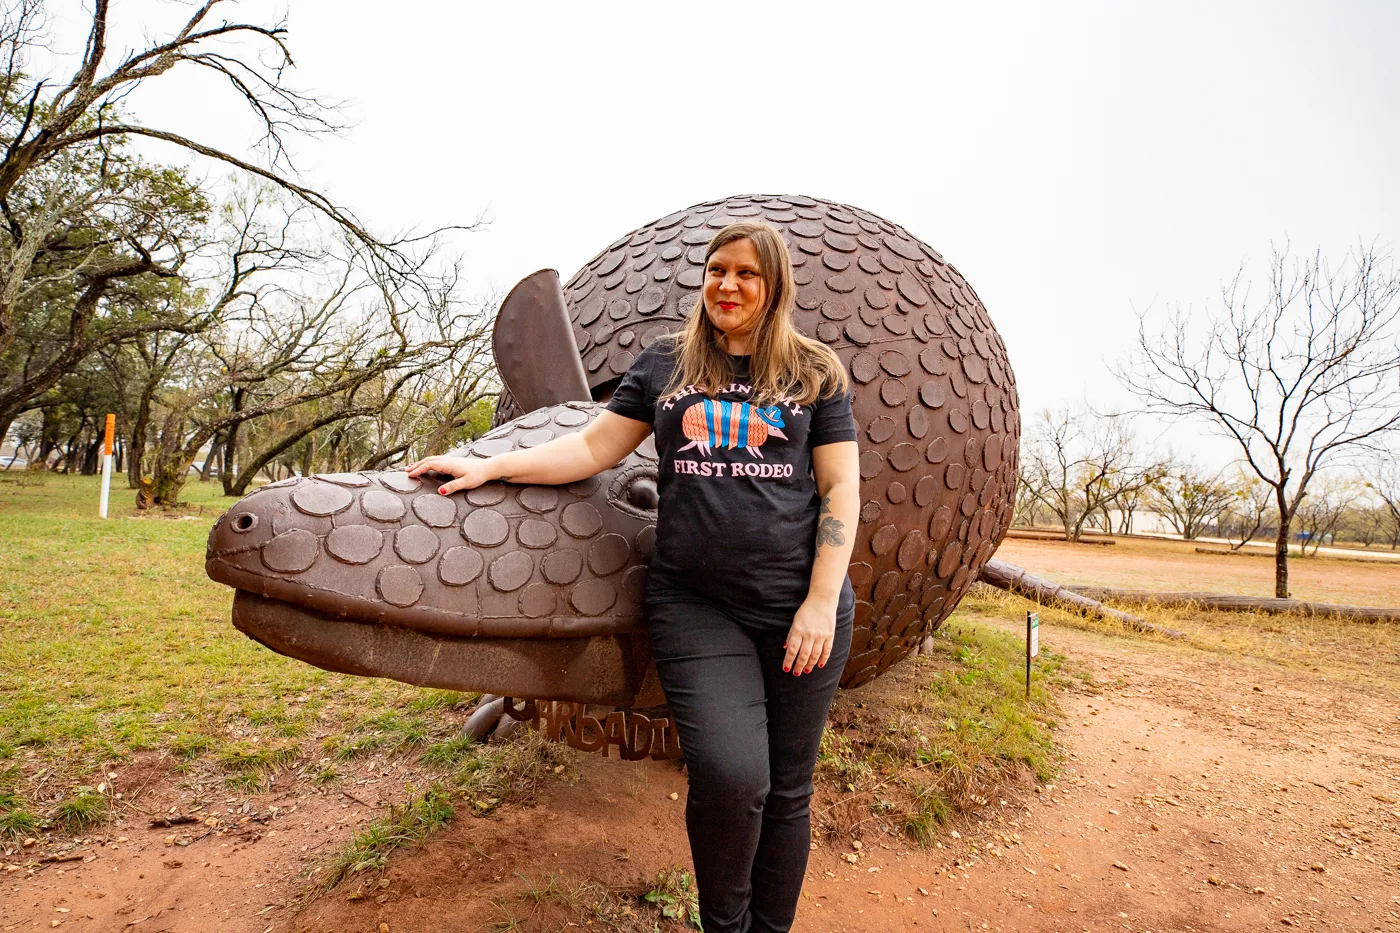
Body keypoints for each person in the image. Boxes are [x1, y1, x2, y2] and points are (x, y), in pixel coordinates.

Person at [407, 221, 860, 933]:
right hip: (696, 604)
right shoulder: (665, 365)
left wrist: (821, 602)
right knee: (733, 777)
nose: (727, 284)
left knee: (787, 790)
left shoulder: (815, 373)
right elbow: (590, 448)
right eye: (716, 270)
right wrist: (489, 466)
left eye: (746, 273)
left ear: (773, 285)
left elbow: (840, 491)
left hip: (803, 605)